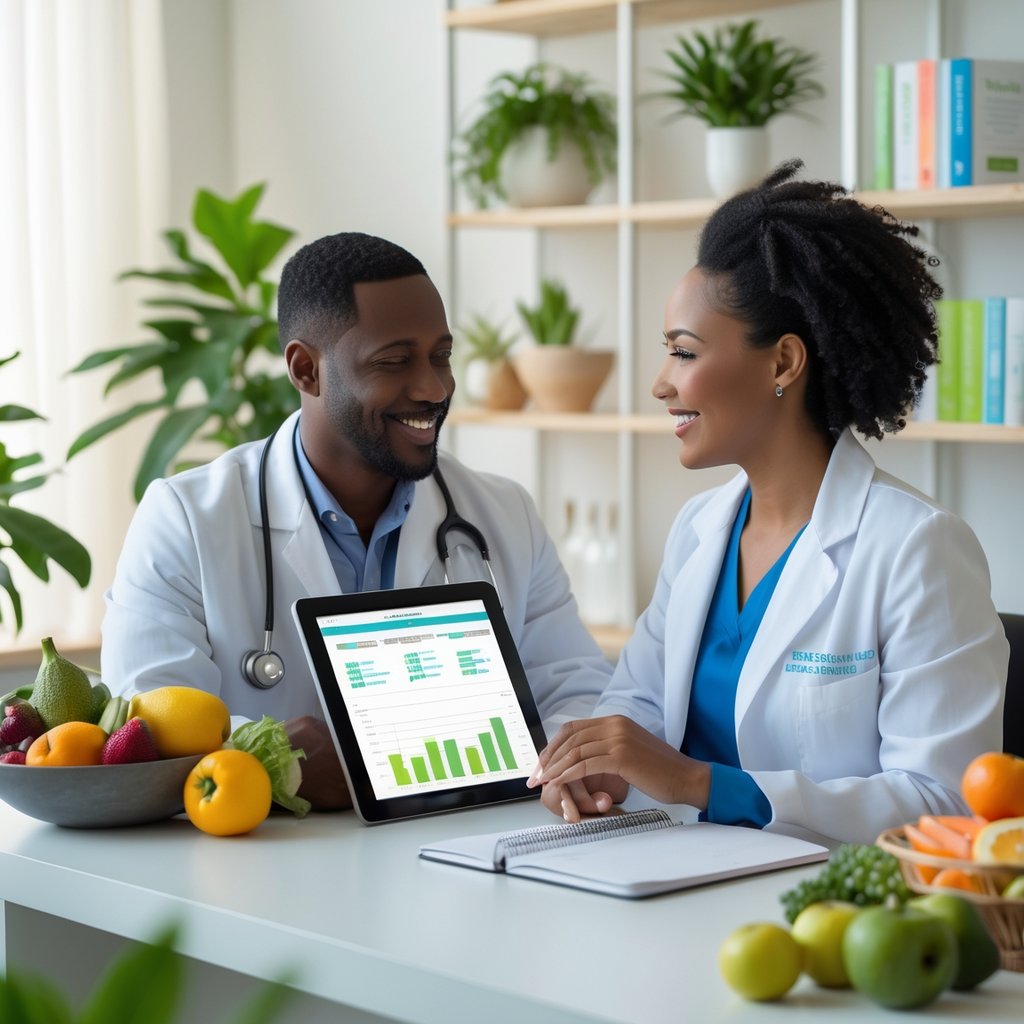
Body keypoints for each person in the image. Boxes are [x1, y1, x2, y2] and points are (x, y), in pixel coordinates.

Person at [528, 160, 1009, 844]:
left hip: (825, 911)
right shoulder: (701, 529)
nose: (662, 384)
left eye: (684, 353)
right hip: (670, 875)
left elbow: (943, 804)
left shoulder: (916, 548)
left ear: (783, 363)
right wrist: (596, 766)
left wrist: (701, 783)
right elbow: (633, 706)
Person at [101, 231, 612, 809]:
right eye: (394, 361)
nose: (434, 387)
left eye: (441, 355)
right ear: (305, 369)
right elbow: (146, 728)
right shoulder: (187, 521)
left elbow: (579, 690)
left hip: (470, 855)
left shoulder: (502, 513)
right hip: (265, 870)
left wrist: (578, 759)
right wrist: (268, 762)